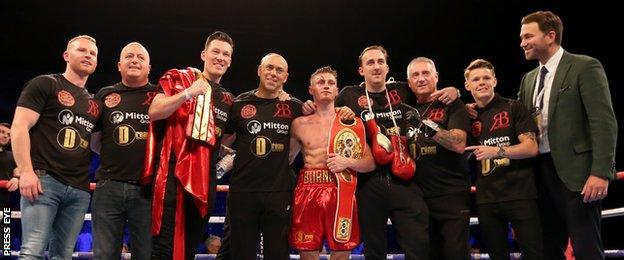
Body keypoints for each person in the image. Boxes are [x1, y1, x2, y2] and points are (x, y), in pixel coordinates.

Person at [518, 11, 617, 259]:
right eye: (522, 37)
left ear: (550, 36)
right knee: (548, 248)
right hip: (539, 174)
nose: (522, 43)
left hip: (578, 174)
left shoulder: (584, 66)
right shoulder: (528, 79)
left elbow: (603, 121)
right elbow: (516, 120)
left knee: (586, 248)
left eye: (528, 36)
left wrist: (600, 172)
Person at [329, 45, 430, 260]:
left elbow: (429, 93)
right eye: (370, 62)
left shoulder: (403, 90)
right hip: (367, 183)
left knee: (418, 243)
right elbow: (324, 112)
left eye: (380, 62)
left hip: (405, 180)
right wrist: (335, 110)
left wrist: (453, 91)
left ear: (387, 67)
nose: (376, 66)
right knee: (374, 249)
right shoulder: (349, 94)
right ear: (361, 70)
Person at [145, 31, 236, 259]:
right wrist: (188, 93)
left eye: (226, 54)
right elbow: (155, 112)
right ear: (204, 54)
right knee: (164, 246)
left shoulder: (229, 99)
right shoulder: (180, 78)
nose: (220, 57)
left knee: (190, 246)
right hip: (173, 174)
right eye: (215, 51)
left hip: (205, 180)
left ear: (230, 61)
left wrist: (222, 165)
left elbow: (226, 142)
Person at [11, 35, 100, 259]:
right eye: (82, 51)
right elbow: (19, 126)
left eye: (93, 54)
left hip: (79, 189)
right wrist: (26, 171)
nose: (88, 55)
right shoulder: (46, 83)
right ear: (67, 56)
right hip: (43, 181)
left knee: (63, 255)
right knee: (32, 250)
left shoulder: (94, 103)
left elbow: (100, 145)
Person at [219, 53, 302, 260]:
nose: (273, 73)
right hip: (243, 192)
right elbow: (221, 141)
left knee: (277, 254)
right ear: (259, 70)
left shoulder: (295, 106)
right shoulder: (239, 104)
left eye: (279, 70)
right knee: (241, 254)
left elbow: (321, 120)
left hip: (279, 191)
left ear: (286, 77)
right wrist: (223, 154)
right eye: (269, 67)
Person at [289, 66, 375, 260]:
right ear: (311, 90)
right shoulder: (299, 123)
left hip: (341, 190)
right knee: (308, 252)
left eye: (331, 83)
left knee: (341, 252)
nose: (326, 86)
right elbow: (286, 160)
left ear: (337, 90)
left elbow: (370, 163)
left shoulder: (350, 122)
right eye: (320, 82)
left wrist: (348, 161)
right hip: (307, 189)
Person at [463, 59, 543, 260]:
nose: (482, 82)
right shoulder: (467, 116)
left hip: (520, 194)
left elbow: (531, 147)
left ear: (495, 81)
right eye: (476, 79)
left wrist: (496, 151)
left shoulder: (513, 107)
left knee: (534, 254)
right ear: (467, 85)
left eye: (486, 78)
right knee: (497, 255)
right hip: (486, 199)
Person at [90, 42, 156, 260]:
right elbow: (95, 142)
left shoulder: (160, 96)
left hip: (148, 189)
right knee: (104, 255)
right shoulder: (105, 94)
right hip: (109, 186)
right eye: (129, 56)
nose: (134, 60)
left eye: (140, 57)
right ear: (119, 65)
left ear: (148, 67)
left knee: (145, 255)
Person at [407, 57, 471, 260]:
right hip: (417, 198)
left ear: (436, 77)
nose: (421, 79)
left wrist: (425, 126)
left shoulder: (453, 104)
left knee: (455, 254)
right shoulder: (405, 109)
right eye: (415, 75)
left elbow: (458, 143)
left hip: (450, 194)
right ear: (408, 82)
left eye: (426, 73)